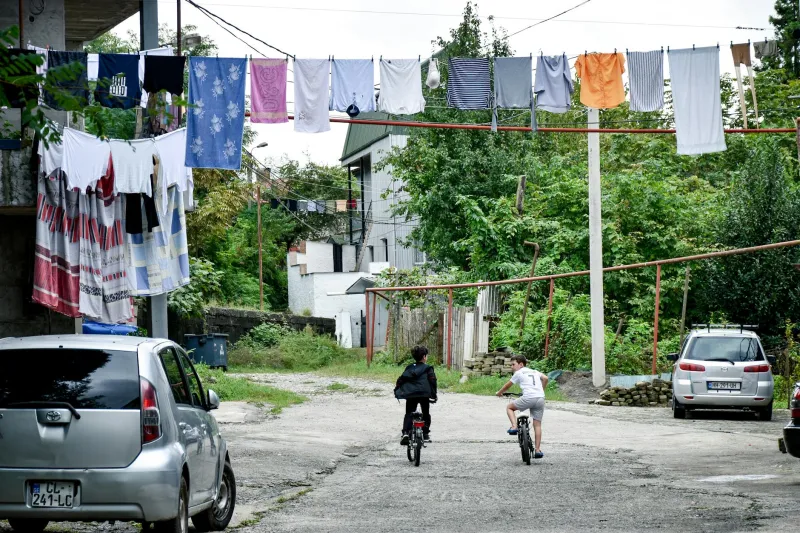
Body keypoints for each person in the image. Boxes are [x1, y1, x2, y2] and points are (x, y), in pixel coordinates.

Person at [496, 355, 548, 459]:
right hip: (540, 398)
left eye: (513, 364)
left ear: (521, 364)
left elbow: (508, 385)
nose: (512, 367)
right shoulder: (534, 371)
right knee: (537, 425)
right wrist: (541, 390)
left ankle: (514, 426)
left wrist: (499, 392)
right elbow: (545, 378)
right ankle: (537, 450)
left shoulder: (519, 372)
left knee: (509, 408)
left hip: (528, 397)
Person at [394, 345, 438, 445]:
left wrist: (397, 390)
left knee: (409, 413)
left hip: (411, 394)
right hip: (424, 394)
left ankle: (405, 433)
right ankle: (425, 434)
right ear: (424, 357)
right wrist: (434, 394)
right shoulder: (428, 368)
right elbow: (433, 381)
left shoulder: (409, 368)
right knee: (425, 413)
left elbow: (401, 380)